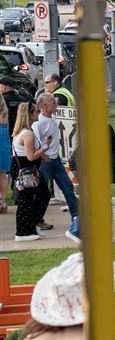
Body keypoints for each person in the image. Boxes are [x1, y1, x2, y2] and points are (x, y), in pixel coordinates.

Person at [33, 94, 80, 241]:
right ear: (44, 106)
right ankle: (36, 219)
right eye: (53, 103)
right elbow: (34, 144)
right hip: (45, 162)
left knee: (68, 187)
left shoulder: (51, 119)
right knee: (41, 193)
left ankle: (76, 217)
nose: (56, 104)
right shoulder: (38, 123)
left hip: (56, 161)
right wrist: (43, 156)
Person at [12, 102, 50, 241]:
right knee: (27, 200)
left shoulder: (25, 132)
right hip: (27, 170)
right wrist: (45, 147)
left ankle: (30, 227)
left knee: (38, 196)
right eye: (36, 111)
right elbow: (31, 156)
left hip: (28, 169)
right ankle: (23, 232)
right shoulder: (27, 134)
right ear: (29, 114)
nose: (38, 113)